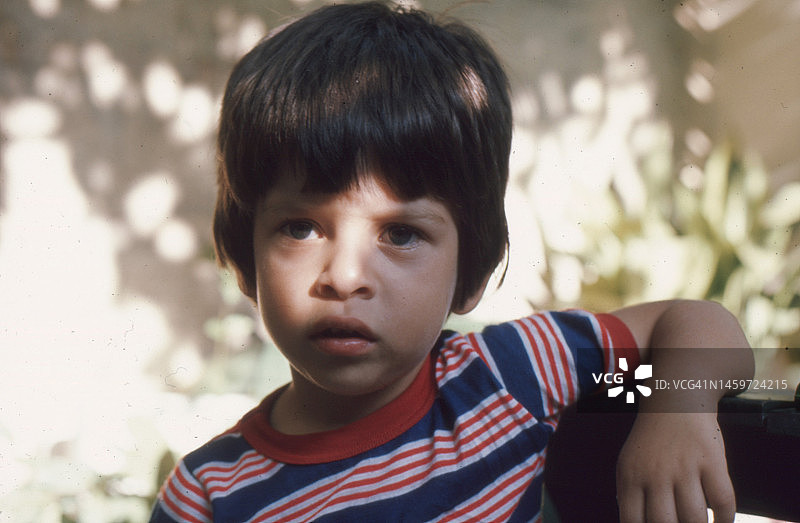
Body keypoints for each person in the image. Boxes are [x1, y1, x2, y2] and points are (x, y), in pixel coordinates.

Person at [149, 2, 754, 521]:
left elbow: (702, 324)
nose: (346, 276)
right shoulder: (210, 496)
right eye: (301, 227)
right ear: (244, 254)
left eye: (402, 235)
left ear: (471, 269)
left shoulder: (509, 377)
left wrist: (677, 411)